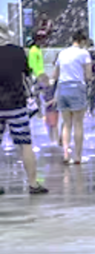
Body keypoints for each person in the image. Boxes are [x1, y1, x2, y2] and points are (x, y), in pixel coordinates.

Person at [0, 20, 48, 194]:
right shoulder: (18, 51)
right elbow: (26, 75)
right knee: (25, 144)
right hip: (16, 104)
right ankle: (33, 183)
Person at [53, 30, 92, 164]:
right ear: (82, 41)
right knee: (78, 124)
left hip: (62, 88)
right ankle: (78, 157)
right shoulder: (84, 53)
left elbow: (55, 75)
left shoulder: (62, 53)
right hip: (77, 87)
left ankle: (65, 154)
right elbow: (88, 75)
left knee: (66, 124)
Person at [37, 74, 58, 145]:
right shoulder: (43, 90)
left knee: (54, 126)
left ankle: (56, 140)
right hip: (47, 110)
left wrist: (50, 102)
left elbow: (56, 98)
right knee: (49, 126)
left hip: (53, 109)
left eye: (41, 83)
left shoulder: (51, 88)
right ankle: (52, 141)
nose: (40, 85)